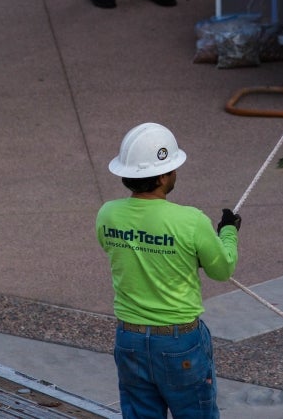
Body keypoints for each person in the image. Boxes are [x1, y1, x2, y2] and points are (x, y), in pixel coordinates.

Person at [96, 122, 241, 419]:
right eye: (173, 168)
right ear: (162, 176)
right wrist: (228, 232)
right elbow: (222, 269)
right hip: (179, 343)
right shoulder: (191, 221)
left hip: (129, 339)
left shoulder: (107, 214)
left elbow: (122, 250)